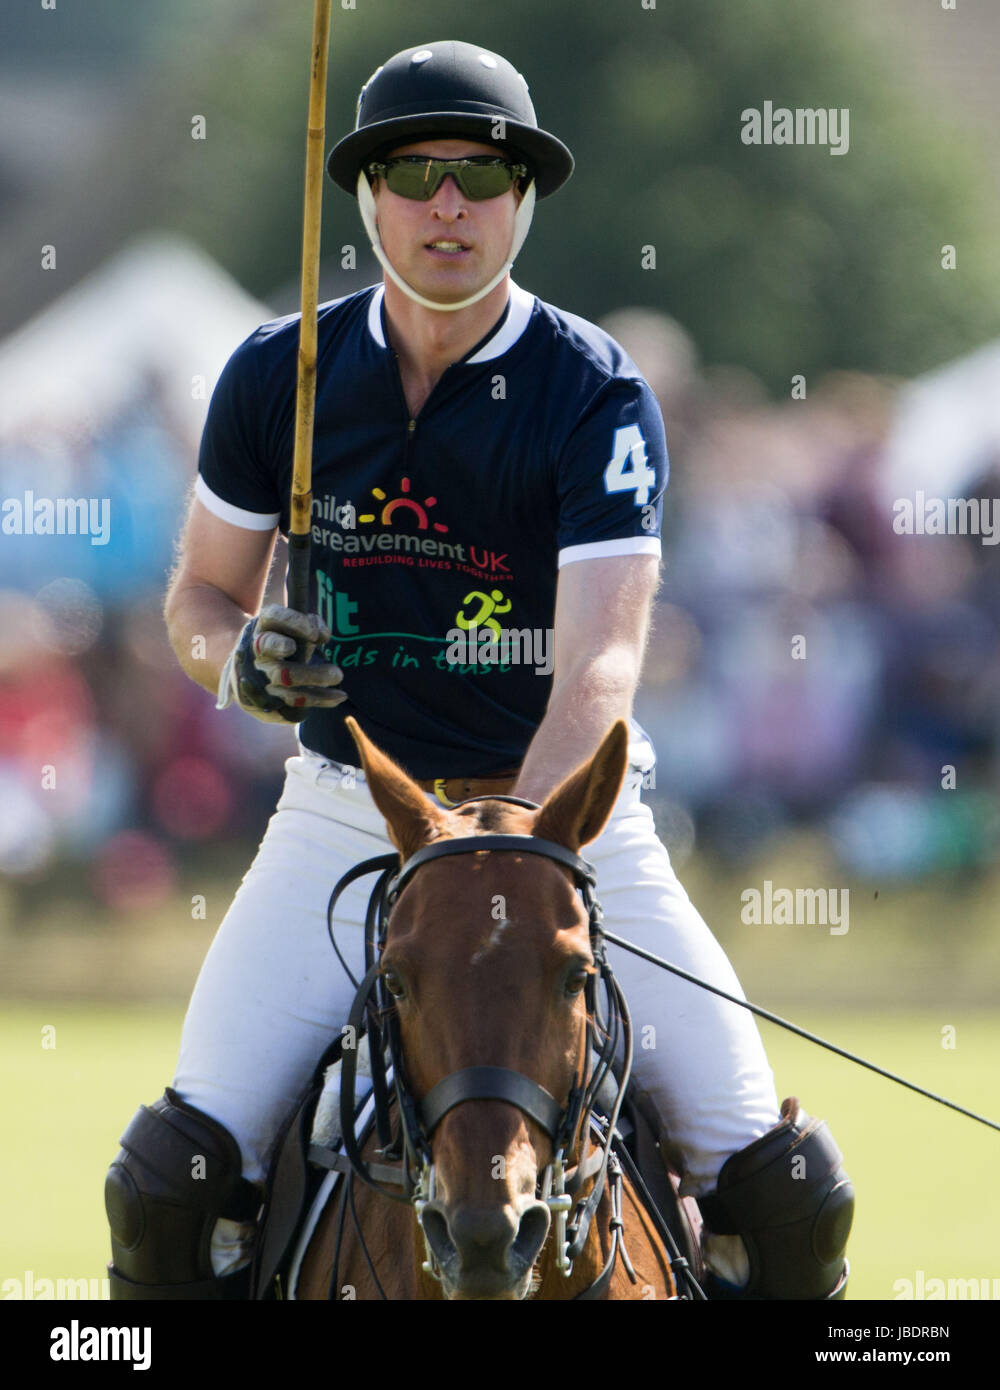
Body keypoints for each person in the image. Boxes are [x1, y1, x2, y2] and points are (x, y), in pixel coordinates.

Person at [104, 39, 853, 1301]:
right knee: (171, 1178)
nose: (448, 203)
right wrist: (237, 664)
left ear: (523, 199)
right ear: (364, 197)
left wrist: (514, 838)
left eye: (480, 174)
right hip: (351, 811)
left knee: (782, 1190)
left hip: (564, 819)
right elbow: (198, 596)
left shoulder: (592, 389)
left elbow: (603, 655)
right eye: (415, 174)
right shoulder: (273, 378)